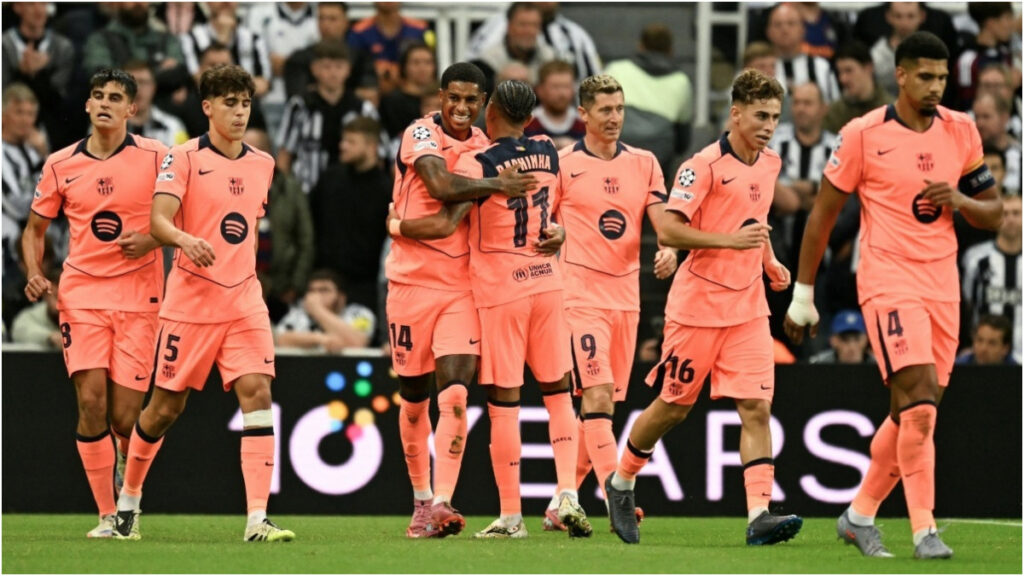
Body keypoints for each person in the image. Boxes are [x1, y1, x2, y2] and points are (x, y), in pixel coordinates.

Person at [784, 32, 1003, 559]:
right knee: (921, 402)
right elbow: (822, 215)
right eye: (924, 76)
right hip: (887, 279)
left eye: (942, 78)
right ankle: (924, 531)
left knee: (911, 413)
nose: (935, 87)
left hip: (942, 286)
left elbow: (995, 210)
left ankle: (858, 516)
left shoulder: (962, 131)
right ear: (900, 75)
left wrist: (959, 200)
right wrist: (803, 292)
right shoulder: (863, 133)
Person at [605, 69, 801, 547]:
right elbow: (670, 230)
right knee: (673, 407)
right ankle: (621, 482)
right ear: (735, 113)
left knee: (756, 407)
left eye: (775, 117)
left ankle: (759, 515)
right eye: (760, 115)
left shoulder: (770, 163)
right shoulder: (703, 166)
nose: (768, 125)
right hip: (697, 309)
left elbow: (754, 224)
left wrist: (769, 260)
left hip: (749, 309)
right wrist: (731, 242)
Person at [111, 63, 294, 543]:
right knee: (164, 409)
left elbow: (247, 228)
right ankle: (127, 503)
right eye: (229, 103)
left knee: (258, 395)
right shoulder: (183, 158)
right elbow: (159, 220)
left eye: (245, 103)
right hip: (191, 303)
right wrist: (184, 240)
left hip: (244, 301)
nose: (239, 112)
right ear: (208, 108)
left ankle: (258, 518)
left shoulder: (263, 164)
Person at [383, 62, 538, 539]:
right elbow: (440, 187)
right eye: (454, 97)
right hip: (410, 284)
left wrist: (556, 231)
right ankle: (420, 499)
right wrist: (494, 185)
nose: (461, 108)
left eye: (472, 101)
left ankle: (442, 503)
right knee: (413, 400)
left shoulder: (485, 148)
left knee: (454, 393)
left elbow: (524, 205)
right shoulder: (420, 133)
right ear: (440, 95)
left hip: (461, 287)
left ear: (485, 103)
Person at [439, 79, 590, 539]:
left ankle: (511, 515)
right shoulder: (548, 151)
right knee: (558, 393)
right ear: (530, 117)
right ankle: (567, 491)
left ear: (492, 112)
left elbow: (446, 192)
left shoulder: (476, 160)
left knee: (505, 402)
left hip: (501, 287)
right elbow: (558, 207)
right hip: (548, 281)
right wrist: (559, 231)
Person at [23, 68, 168, 539]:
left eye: (116, 98)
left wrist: (149, 239)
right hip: (82, 293)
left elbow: (184, 211)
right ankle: (110, 516)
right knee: (90, 403)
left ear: (133, 109)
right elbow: (35, 230)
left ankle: (131, 497)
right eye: (97, 96)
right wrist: (34, 271)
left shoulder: (156, 157)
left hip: (140, 295)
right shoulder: (61, 164)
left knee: (127, 417)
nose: (104, 103)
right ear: (87, 105)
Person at [540, 73, 677, 530]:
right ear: (584, 114)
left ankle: (562, 505)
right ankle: (615, 494)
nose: (615, 117)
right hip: (578, 296)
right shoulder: (562, 165)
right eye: (605, 110)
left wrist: (669, 250)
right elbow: (542, 225)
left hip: (626, 299)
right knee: (596, 394)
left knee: (603, 407)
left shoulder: (645, 163)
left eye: (619, 109)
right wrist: (554, 234)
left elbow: (662, 223)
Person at [310, 116, 391, 311]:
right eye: (343, 140)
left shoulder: (388, 189)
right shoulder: (329, 179)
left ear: (372, 146)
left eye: (351, 142)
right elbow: (311, 224)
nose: (343, 146)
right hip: (324, 281)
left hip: (365, 286)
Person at [277, 41, 378, 193]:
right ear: (314, 69)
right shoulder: (299, 106)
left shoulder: (364, 109)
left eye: (338, 66)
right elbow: (285, 155)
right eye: (326, 66)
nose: (333, 73)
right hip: (307, 192)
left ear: (348, 70)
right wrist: (283, 192)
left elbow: (376, 155)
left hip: (353, 193)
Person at [242, 127, 314, 324]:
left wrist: (295, 286)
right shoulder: (229, 185)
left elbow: (305, 239)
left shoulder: (290, 188)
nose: (246, 155)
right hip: (239, 286)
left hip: (281, 287)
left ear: (268, 153)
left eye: (253, 149)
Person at [603, 24, 694, 172]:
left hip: (616, 149)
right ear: (671, 50)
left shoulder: (616, 69)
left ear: (640, 46)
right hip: (658, 159)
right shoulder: (682, 81)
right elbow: (683, 140)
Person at [961, 193, 1021, 363]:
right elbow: (967, 305)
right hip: (984, 357)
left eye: (1016, 213)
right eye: (1005, 213)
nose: (1010, 219)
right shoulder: (976, 259)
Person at [275, 269, 376, 351]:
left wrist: (318, 311)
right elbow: (280, 339)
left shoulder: (360, 313)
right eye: (312, 290)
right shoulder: (300, 313)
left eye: (324, 290)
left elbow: (358, 343)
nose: (316, 295)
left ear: (342, 296)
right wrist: (319, 339)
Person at [471, 3, 558, 88]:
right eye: (523, 25)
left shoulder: (549, 58)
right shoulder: (487, 61)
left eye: (534, 25)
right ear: (509, 27)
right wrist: (499, 83)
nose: (529, 31)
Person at [824, 41, 892, 134]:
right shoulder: (834, 114)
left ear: (868, 68)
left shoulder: (891, 110)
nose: (843, 79)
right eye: (840, 72)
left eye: (849, 70)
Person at [523, 60, 586, 150]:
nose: (562, 93)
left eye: (566, 86)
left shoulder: (584, 124)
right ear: (540, 90)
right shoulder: (527, 125)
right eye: (555, 87)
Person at [870, 3, 925, 100]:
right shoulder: (875, 55)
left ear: (922, 16)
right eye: (898, 16)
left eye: (910, 16)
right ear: (888, 16)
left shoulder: (931, 53)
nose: (904, 23)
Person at [972, 92, 1022, 196]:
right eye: (977, 117)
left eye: (986, 117)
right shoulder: (968, 157)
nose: (979, 123)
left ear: (1004, 118)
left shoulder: (1020, 155)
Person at [11, 267, 61, 348]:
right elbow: (18, 330)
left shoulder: (82, 315)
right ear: (45, 295)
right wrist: (50, 337)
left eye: (64, 298)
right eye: (56, 296)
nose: (60, 303)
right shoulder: (33, 315)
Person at [808, 309, 876, 364]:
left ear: (866, 339)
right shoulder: (818, 365)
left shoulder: (880, 367)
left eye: (857, 339)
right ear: (833, 340)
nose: (851, 347)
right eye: (845, 339)